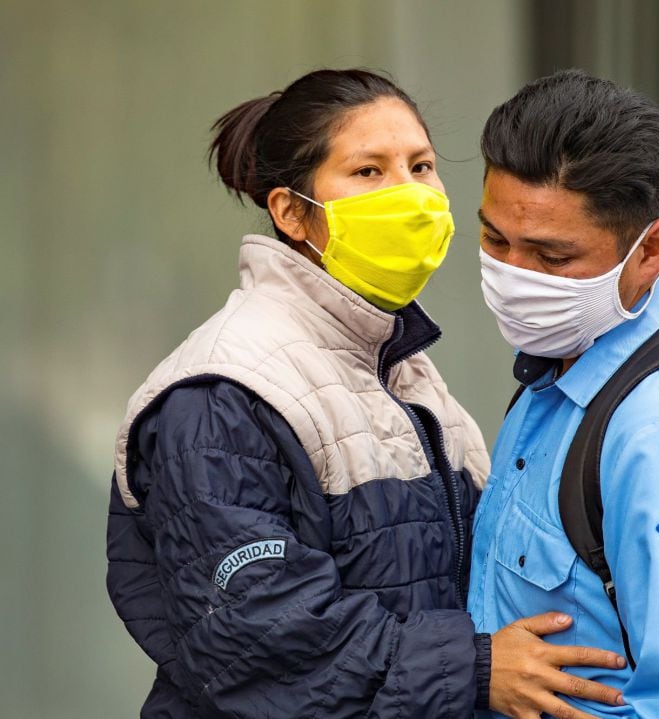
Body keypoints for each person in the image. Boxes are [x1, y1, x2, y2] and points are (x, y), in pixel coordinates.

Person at [105, 68, 626, 718]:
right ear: (292, 212)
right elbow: (255, 636)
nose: (409, 194)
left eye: (421, 164)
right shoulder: (225, 387)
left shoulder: (399, 369)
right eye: (369, 172)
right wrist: (476, 665)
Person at [468, 70, 659, 718]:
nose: (513, 276)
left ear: (650, 251)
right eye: (496, 239)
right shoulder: (562, 369)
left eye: (552, 258)